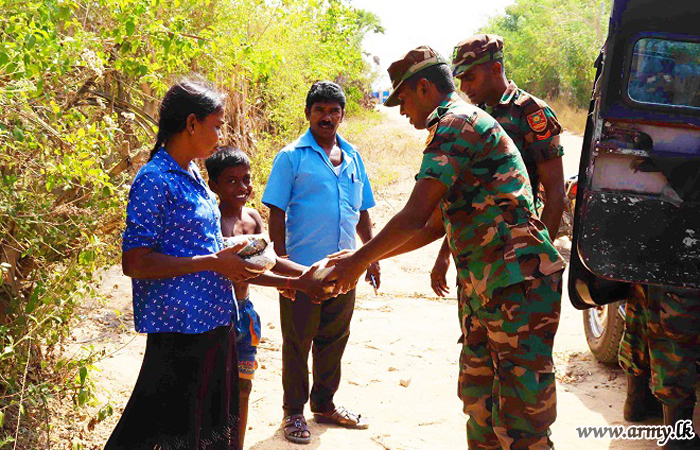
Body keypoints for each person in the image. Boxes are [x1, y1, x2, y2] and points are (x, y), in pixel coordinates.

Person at [326, 46, 566, 449]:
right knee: (480, 405)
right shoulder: (453, 125)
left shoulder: (458, 123)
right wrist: (365, 257)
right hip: (485, 289)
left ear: (423, 87)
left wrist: (356, 261)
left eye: (402, 99)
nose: (402, 111)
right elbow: (434, 225)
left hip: (516, 288)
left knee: (523, 420)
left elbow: (415, 214)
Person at [106, 80, 264, 450]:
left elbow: (202, 246)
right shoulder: (154, 179)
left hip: (214, 322)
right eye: (217, 124)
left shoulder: (193, 174)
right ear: (192, 123)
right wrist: (213, 261)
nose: (221, 133)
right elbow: (135, 261)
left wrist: (243, 258)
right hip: (179, 332)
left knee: (204, 431)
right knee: (162, 433)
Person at [261, 81, 380, 444]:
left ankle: (325, 405)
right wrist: (281, 264)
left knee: (335, 337)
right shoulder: (291, 156)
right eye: (320, 110)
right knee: (298, 342)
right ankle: (293, 412)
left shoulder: (354, 157)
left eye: (333, 111)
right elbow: (276, 211)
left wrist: (370, 255)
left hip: (345, 269)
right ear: (308, 113)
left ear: (342, 115)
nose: (327, 117)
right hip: (302, 272)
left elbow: (361, 211)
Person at [205, 146, 333, 449]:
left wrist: (313, 272)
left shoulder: (251, 219)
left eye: (246, 179)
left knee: (244, 387)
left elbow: (268, 260)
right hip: (216, 315)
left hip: (245, 315)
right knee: (215, 388)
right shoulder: (211, 221)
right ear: (213, 186)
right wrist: (297, 282)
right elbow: (241, 273)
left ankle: (236, 444)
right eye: (231, 181)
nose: (242, 187)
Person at [429, 34, 566, 299]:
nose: (464, 86)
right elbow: (464, 192)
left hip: (518, 257)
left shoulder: (530, 112)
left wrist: (538, 263)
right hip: (477, 257)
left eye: (470, 77)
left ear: (495, 69)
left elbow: (555, 193)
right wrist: (444, 255)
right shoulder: (472, 117)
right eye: (460, 80)